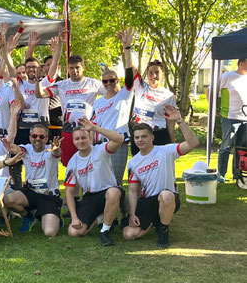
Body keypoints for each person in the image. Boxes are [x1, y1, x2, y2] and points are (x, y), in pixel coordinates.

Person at [123, 106, 199, 247]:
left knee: (166, 195)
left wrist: (179, 121)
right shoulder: (133, 162)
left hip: (169, 198)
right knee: (128, 234)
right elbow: (133, 191)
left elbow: (193, 143)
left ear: (152, 137)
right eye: (137, 137)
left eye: (144, 136)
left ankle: (163, 231)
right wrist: (132, 214)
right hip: (149, 202)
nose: (140, 140)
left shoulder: (166, 150)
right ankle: (156, 221)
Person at [36, 30, 105, 167]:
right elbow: (40, 94)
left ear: (83, 67)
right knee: (69, 165)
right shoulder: (62, 85)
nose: (75, 71)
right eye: (71, 68)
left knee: (89, 164)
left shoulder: (93, 83)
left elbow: (111, 95)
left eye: (78, 68)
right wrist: (38, 79)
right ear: (67, 69)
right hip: (68, 130)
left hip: (87, 129)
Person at [64, 118, 125, 246]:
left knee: (113, 192)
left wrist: (95, 128)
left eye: (83, 138)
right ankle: (101, 218)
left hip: (109, 191)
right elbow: (69, 192)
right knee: (74, 232)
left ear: (90, 138)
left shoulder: (101, 150)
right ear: (73, 141)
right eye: (77, 139)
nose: (81, 141)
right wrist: (74, 218)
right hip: (90, 197)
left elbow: (119, 139)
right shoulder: (72, 162)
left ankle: (105, 231)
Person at [92, 28, 136, 184]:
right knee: (100, 179)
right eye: (105, 81)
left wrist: (127, 48)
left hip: (119, 143)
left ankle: (123, 206)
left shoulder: (124, 95)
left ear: (117, 80)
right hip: (100, 145)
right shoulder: (98, 101)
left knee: (115, 180)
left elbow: (130, 75)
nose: (108, 83)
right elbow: (94, 125)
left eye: (112, 80)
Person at [4, 124, 63, 237]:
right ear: (30, 137)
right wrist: (13, 149)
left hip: (48, 196)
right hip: (30, 192)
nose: (37, 139)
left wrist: (56, 148)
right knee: (7, 200)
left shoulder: (50, 150)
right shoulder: (26, 149)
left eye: (41, 137)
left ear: (46, 138)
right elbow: (18, 149)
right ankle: (28, 216)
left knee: (50, 232)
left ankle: (54, 215)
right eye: (34, 136)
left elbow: (57, 153)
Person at [131, 59, 176, 155]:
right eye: (150, 73)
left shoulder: (168, 96)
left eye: (157, 72)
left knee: (159, 167)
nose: (154, 76)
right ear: (147, 75)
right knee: (138, 167)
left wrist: (172, 144)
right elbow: (132, 67)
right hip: (139, 135)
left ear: (162, 74)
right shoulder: (141, 87)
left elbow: (171, 123)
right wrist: (127, 47)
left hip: (159, 135)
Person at [216, 58, 247, 182]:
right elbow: (211, 91)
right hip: (229, 117)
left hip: (245, 118)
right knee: (226, 146)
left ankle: (238, 174)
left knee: (241, 148)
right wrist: (213, 109)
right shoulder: (227, 77)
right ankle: (221, 173)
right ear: (241, 63)